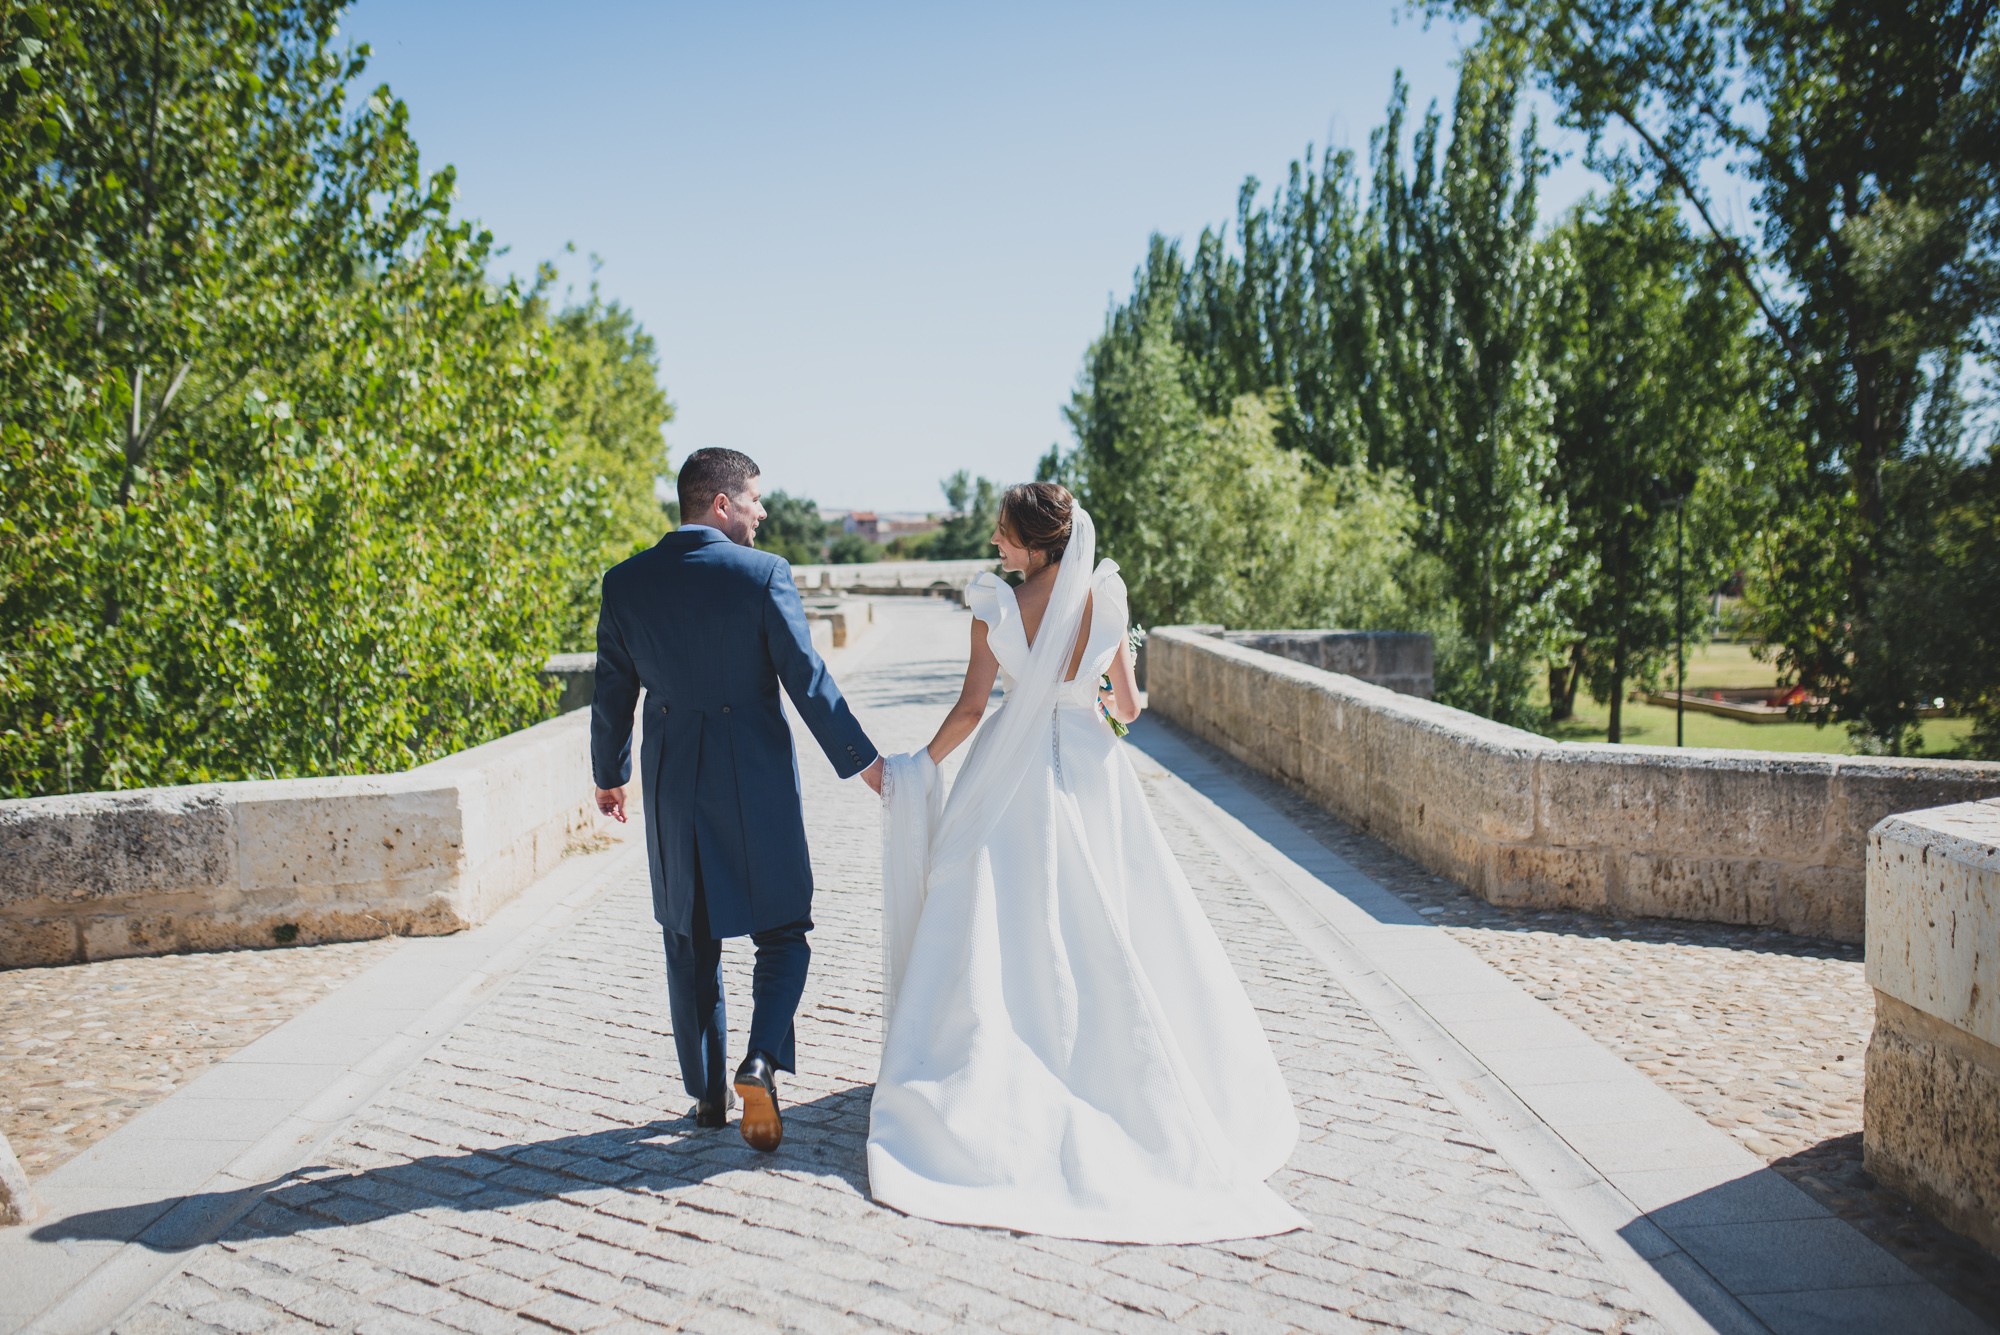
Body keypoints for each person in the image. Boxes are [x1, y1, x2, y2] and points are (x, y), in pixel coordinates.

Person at [870, 483, 1306, 1243]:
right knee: (1116, 911)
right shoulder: (1106, 597)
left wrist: (914, 765)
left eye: (1004, 534)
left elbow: (974, 710)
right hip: (1093, 766)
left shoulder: (993, 606)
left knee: (1001, 913)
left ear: (1033, 542)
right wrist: (1094, 689)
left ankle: (1011, 1053)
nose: (995, 546)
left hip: (1009, 771)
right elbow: (1130, 708)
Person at [591, 447, 884, 1153]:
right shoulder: (762, 574)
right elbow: (807, 679)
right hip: (754, 778)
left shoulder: (625, 582)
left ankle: (709, 1096)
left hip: (670, 783)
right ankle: (760, 1061)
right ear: (720, 503)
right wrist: (865, 762)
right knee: (782, 928)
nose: (762, 511)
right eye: (754, 498)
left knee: (691, 937)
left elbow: (611, 691)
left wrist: (610, 772)